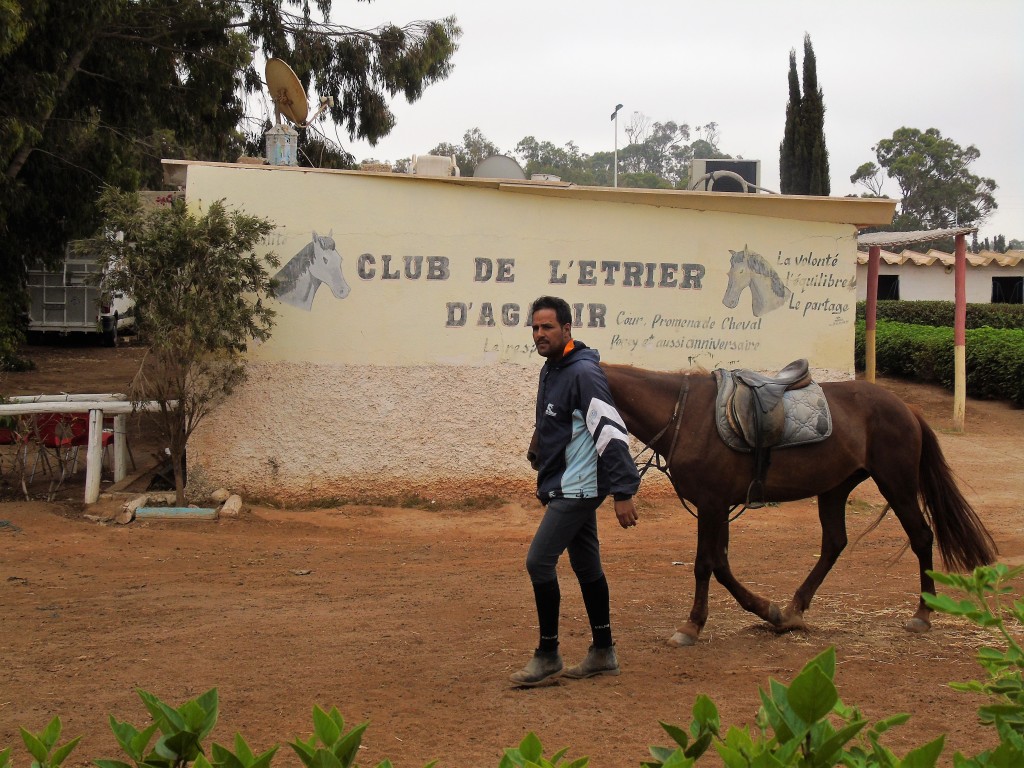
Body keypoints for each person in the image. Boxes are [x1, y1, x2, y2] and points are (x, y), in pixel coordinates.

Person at [510, 295, 641, 687]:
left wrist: (623, 491)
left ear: (567, 329)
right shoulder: (553, 369)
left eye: (547, 327)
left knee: (538, 563)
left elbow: (609, 430)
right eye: (534, 328)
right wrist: (539, 451)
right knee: (586, 568)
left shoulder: (584, 372)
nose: (539, 334)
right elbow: (556, 420)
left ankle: (548, 654)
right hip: (564, 484)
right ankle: (603, 652)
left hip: (578, 489)